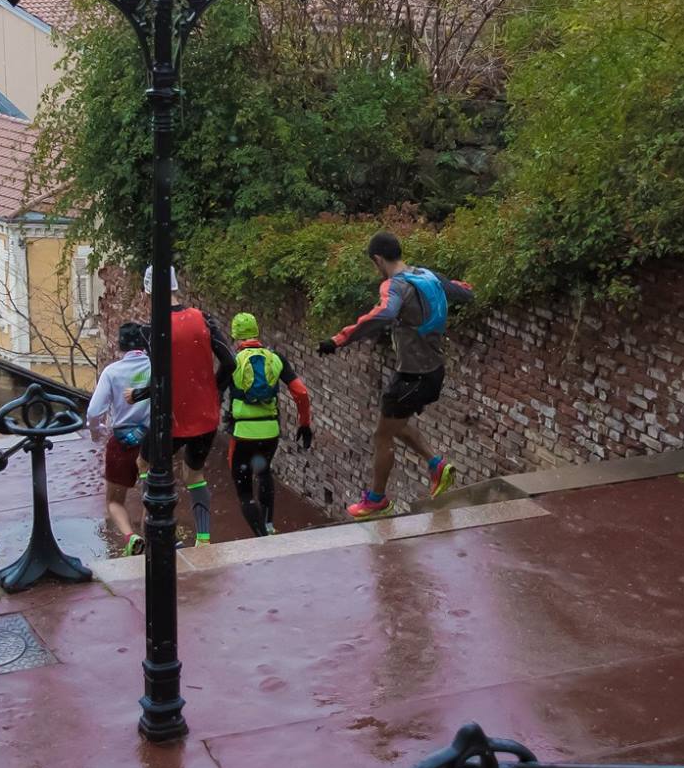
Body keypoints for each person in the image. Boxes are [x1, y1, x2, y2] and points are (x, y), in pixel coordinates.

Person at [318, 231, 472, 518]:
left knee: (382, 434)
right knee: (394, 424)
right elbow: (464, 292)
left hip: (416, 376)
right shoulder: (427, 275)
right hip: (429, 371)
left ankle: (377, 500)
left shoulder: (395, 286)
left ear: (378, 259)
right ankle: (435, 464)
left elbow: (385, 314)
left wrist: (340, 339)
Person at [137, 266, 234, 546]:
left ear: (148, 292)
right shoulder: (203, 319)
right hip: (206, 415)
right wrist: (214, 390)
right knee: (193, 473)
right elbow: (230, 361)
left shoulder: (151, 330)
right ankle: (203, 538)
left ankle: (156, 532)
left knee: (146, 464)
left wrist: (140, 394)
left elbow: (160, 379)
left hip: (171, 417)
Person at [224, 312, 313, 536]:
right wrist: (304, 424)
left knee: (244, 492)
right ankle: (269, 525)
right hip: (270, 432)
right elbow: (301, 393)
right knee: (264, 473)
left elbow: (214, 391)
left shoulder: (232, 362)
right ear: (256, 333)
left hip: (242, 433)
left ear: (235, 337)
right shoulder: (276, 359)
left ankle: (262, 537)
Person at [86, 322, 153, 555]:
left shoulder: (112, 372)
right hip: (151, 440)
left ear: (120, 345)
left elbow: (94, 412)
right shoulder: (156, 368)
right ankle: (150, 539)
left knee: (115, 501)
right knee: (152, 497)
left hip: (122, 442)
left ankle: (131, 537)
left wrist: (98, 432)